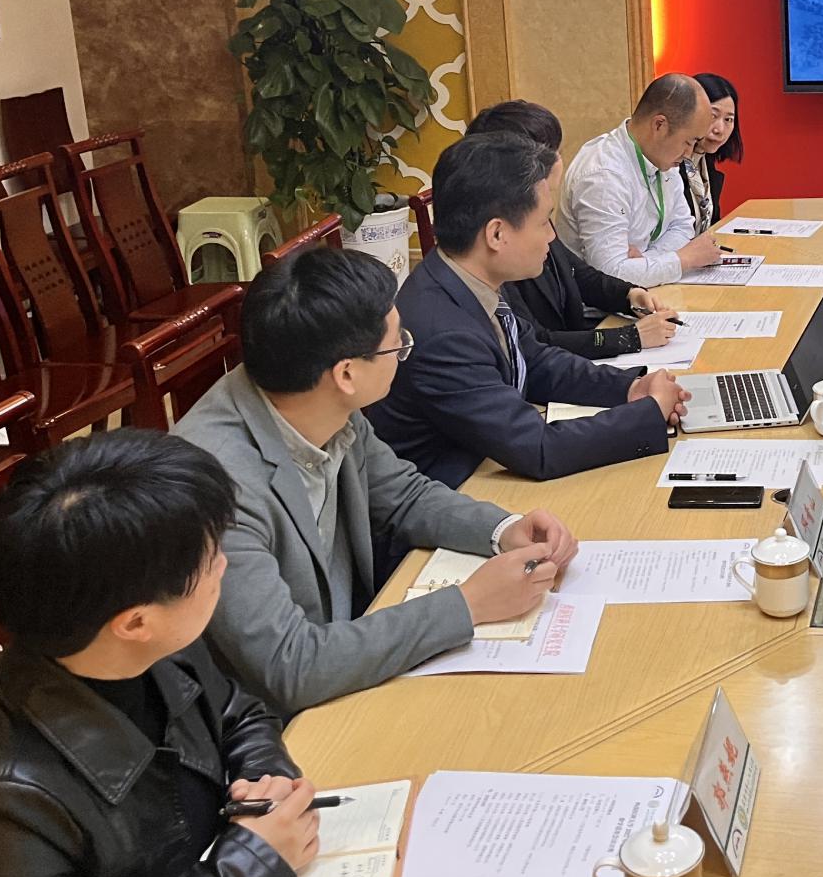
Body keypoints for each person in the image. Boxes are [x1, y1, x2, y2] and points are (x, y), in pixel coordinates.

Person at [0, 431, 313, 877]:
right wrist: (248, 871)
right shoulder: (1, 801)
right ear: (134, 622)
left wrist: (263, 783)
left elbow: (238, 713)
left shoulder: (148, 643)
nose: (223, 564)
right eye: (209, 560)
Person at [174, 246, 579, 716]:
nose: (405, 351)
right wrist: (468, 605)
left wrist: (504, 529)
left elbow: (403, 494)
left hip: (348, 659)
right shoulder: (217, 489)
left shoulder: (315, 396)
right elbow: (291, 665)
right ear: (346, 373)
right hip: (279, 723)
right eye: (397, 344)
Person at [369, 131, 689, 491]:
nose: (552, 236)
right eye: (543, 222)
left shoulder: (466, 278)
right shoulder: (443, 331)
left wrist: (630, 388)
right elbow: (537, 447)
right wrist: (648, 413)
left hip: (488, 465)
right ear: (497, 234)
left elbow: (534, 361)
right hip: (458, 490)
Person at [468, 98, 677, 360]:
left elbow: (576, 271)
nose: (559, 160)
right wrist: (630, 337)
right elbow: (532, 344)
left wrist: (629, 295)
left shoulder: (531, 210)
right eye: (550, 153)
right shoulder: (498, 239)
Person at [556, 73, 723, 286]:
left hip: (646, 291)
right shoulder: (603, 175)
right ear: (659, 125)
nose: (689, 154)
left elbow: (682, 226)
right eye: (688, 142)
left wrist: (646, 262)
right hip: (598, 304)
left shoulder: (663, 158)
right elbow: (611, 275)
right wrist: (684, 259)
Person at [679, 72, 742, 235]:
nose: (720, 129)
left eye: (728, 119)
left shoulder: (705, 164)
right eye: (713, 116)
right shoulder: (668, 166)